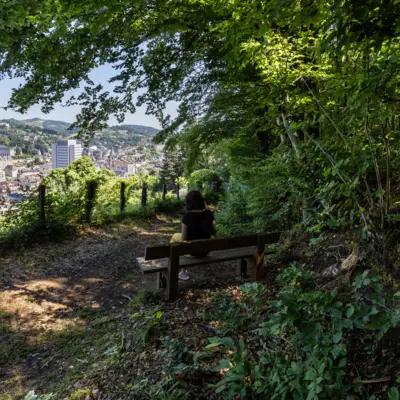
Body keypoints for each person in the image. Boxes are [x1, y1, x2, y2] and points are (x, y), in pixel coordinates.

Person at [170, 190, 216, 280]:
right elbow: (214, 232)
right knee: (179, 237)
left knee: (176, 238)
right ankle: (182, 271)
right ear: (201, 201)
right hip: (206, 250)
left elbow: (183, 241)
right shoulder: (210, 214)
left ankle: (179, 270)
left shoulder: (187, 217)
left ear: (189, 203)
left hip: (192, 252)